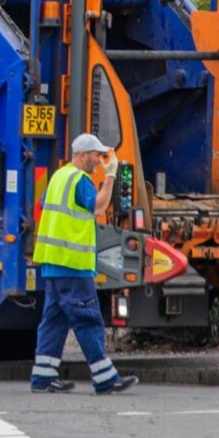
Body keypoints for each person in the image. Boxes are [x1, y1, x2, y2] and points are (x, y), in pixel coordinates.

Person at [30, 133, 139, 395]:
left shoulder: (59, 176)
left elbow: (44, 204)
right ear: (82, 155)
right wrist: (110, 176)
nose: (98, 160)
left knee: (54, 320)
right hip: (72, 264)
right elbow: (99, 208)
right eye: (95, 155)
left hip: (53, 262)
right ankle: (105, 378)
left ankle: (43, 378)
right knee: (88, 318)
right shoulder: (81, 180)